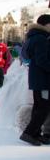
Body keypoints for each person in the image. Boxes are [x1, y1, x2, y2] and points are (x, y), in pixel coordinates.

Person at [19, 14, 50, 145]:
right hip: (43, 80)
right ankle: (29, 133)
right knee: (43, 108)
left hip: (37, 79)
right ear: (45, 25)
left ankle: (35, 133)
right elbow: (42, 60)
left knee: (38, 107)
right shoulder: (41, 39)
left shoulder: (33, 37)